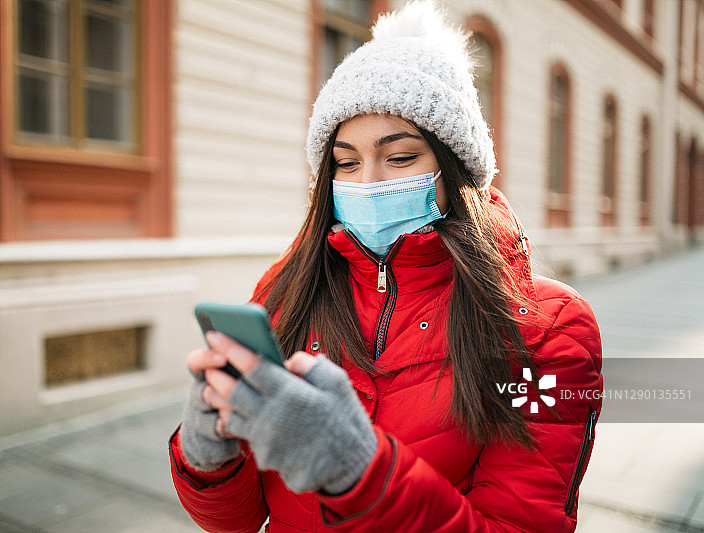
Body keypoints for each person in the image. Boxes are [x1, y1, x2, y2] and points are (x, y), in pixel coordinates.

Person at [169, 1, 603, 531]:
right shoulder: (289, 288)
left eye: (400, 157)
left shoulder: (551, 331)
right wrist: (206, 454)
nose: (369, 182)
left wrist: (359, 474)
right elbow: (235, 521)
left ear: (454, 168)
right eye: (346, 162)